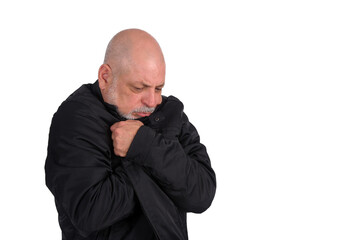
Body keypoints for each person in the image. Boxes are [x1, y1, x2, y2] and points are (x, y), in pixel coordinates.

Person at [45, 29, 216, 240]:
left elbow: (202, 194)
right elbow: (91, 211)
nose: (152, 102)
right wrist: (165, 164)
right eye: (139, 88)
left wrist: (147, 146)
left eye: (158, 88)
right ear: (105, 77)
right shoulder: (76, 118)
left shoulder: (170, 112)